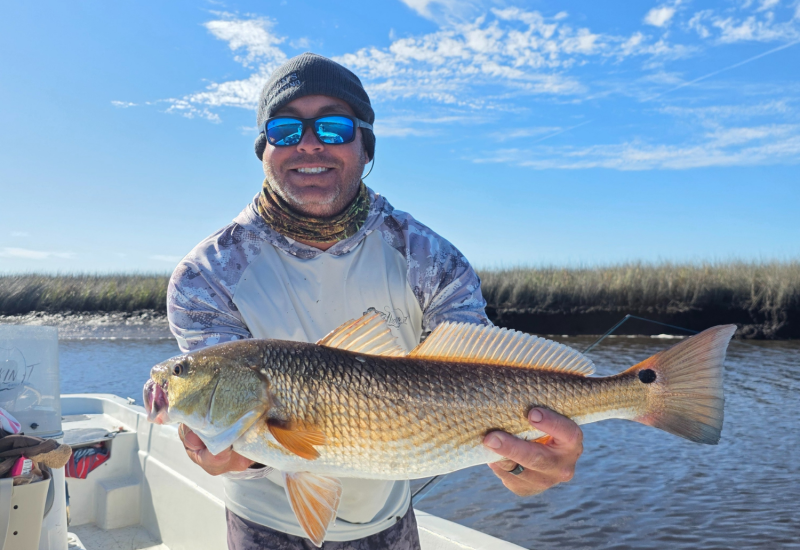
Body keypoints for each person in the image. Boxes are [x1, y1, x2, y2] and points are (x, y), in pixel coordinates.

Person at [167, 52, 584, 550]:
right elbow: (235, 421)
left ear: (366, 147)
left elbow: (481, 370)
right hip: (262, 526)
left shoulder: (429, 258)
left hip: (390, 523)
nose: (308, 143)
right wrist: (227, 451)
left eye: (335, 128)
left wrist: (522, 458)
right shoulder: (205, 276)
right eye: (283, 130)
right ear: (263, 150)